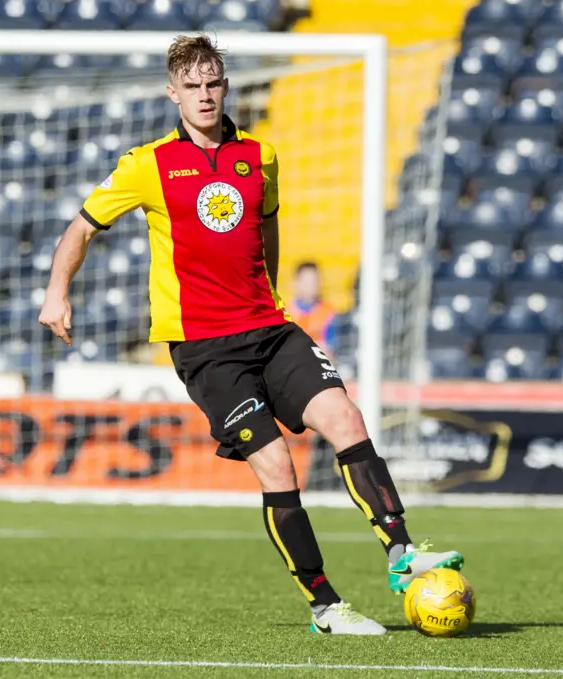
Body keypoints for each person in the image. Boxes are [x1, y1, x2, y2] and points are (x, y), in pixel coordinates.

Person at [39, 34, 463, 636]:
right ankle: (326, 604)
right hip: (206, 349)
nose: (205, 95)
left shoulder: (259, 156)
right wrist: (57, 292)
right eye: (192, 86)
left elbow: (267, 234)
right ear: (172, 92)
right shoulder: (147, 164)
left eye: (213, 83)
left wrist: (273, 295)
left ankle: (402, 551)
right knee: (276, 465)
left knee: (346, 419)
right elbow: (81, 228)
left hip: (269, 327)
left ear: (226, 85)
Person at [289, 262, 337, 361]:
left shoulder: (329, 314)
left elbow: (332, 349)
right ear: (297, 283)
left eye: (314, 281)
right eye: (306, 281)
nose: (311, 285)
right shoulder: (284, 312)